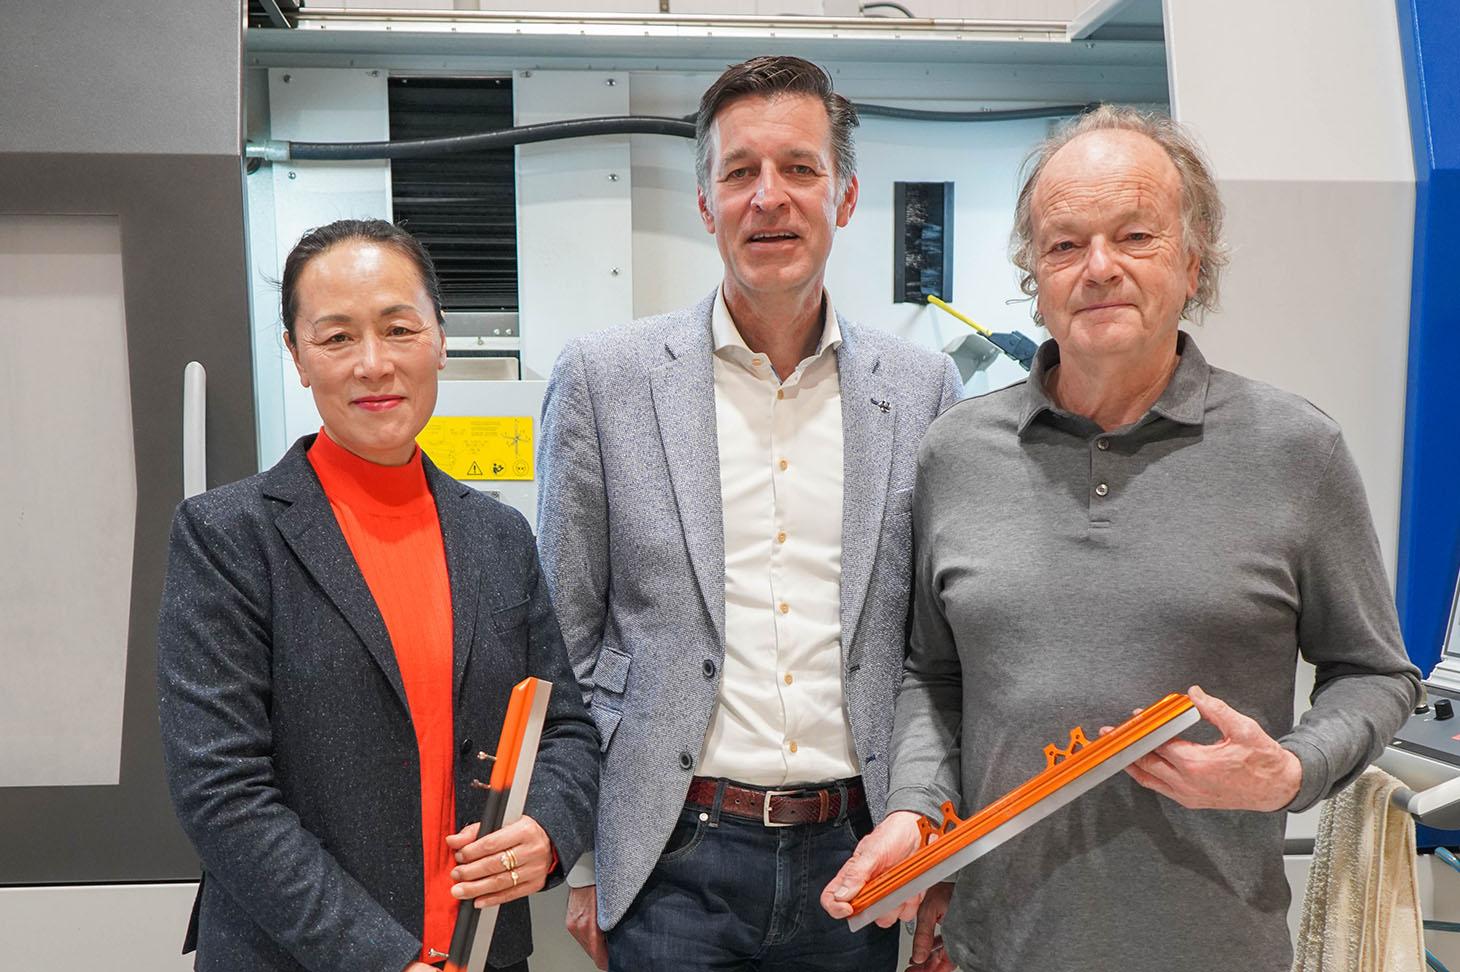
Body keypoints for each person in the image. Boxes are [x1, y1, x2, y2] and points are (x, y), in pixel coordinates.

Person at [822, 105, 1423, 972]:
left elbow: (1375, 671)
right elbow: (933, 674)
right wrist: (916, 812)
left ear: (1192, 257)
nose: (1097, 268)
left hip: (1215, 946)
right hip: (997, 947)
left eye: (1134, 235)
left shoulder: (1297, 451)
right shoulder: (957, 451)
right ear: (1034, 272)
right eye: (1064, 245)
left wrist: (1292, 772)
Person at [536, 56, 963, 971]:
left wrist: (935, 841)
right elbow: (564, 643)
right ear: (706, 204)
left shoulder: (924, 389)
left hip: (861, 853)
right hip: (670, 856)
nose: (769, 197)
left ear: (844, 198)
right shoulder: (606, 380)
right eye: (739, 173)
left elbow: (939, 651)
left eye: (800, 169)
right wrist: (580, 862)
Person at [157, 219, 598, 972]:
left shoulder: (497, 535)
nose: (374, 364)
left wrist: (549, 830)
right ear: (296, 357)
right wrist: (381, 958)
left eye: (399, 329)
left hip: (481, 950)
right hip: (304, 955)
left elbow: (568, 734)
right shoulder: (228, 535)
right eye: (335, 338)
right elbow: (222, 791)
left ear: (440, 338)